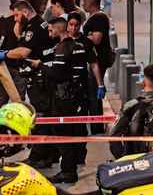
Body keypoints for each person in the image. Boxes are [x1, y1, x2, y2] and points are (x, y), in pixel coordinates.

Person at [29, 11, 102, 183]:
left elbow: (57, 73)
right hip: (75, 96)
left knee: (62, 134)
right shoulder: (76, 45)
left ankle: (68, 171)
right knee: (71, 132)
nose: (49, 34)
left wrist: (40, 65)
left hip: (64, 99)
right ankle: (70, 166)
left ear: (57, 29)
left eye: (50, 30)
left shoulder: (63, 48)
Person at [0, 0, 54, 169]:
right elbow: (18, 36)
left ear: (25, 12)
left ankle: (38, 157)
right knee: (42, 116)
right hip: (38, 77)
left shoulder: (35, 28)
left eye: (16, 15)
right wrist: (19, 22)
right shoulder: (34, 24)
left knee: (40, 117)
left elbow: (23, 51)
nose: (14, 19)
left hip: (39, 79)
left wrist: (5, 54)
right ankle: (44, 155)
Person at [109, 64, 153, 159]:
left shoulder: (131, 106)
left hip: (137, 163)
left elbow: (113, 135)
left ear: (143, 83)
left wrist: (123, 159)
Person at [82, 0, 114, 134]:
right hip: (94, 59)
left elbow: (96, 39)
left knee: (95, 93)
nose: (83, 4)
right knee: (92, 92)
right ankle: (95, 125)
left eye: (85, 2)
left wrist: (84, 37)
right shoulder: (93, 18)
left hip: (98, 60)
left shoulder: (99, 18)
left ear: (92, 3)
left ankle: (96, 127)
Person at [0, 0, 29, 113]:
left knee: (2, 97)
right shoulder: (21, 21)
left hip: (5, 65)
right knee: (19, 99)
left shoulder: (0, 21)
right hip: (19, 66)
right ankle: (16, 125)